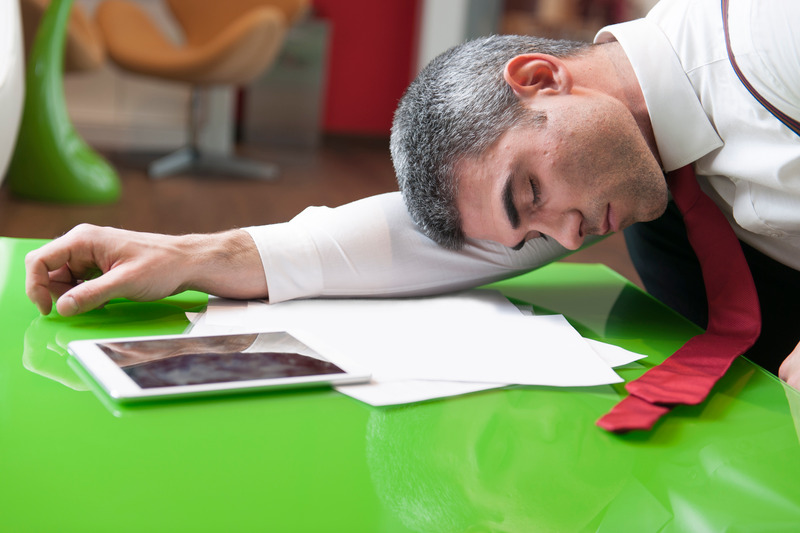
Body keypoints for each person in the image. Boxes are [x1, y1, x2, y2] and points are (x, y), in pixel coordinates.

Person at [25, 0, 800, 386]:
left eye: (527, 190)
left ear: (539, 78)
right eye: (529, 231)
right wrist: (193, 252)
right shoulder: (620, 167)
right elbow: (418, 244)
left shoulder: (770, 37)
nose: (567, 239)